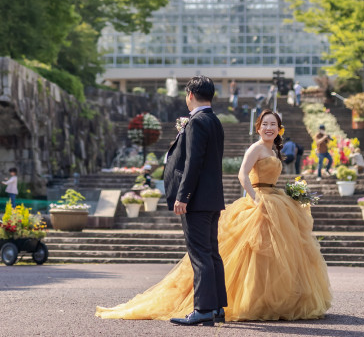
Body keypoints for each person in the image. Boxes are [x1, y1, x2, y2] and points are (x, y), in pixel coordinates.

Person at [97, 108, 331, 323]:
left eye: (274, 124)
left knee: (278, 255)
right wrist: (255, 197)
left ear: (279, 129)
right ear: (258, 127)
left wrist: (290, 193)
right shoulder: (256, 147)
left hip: (276, 199)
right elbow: (242, 174)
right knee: (253, 253)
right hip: (259, 200)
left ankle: (273, 299)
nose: (269, 128)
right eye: (265, 124)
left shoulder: (274, 150)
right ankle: (245, 301)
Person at [98, 76, 227, 326]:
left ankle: (203, 308)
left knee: (200, 255)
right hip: (211, 199)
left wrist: (183, 195)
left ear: (189, 94)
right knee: (212, 255)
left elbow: (193, 163)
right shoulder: (214, 121)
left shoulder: (197, 122)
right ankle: (217, 308)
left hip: (197, 200)